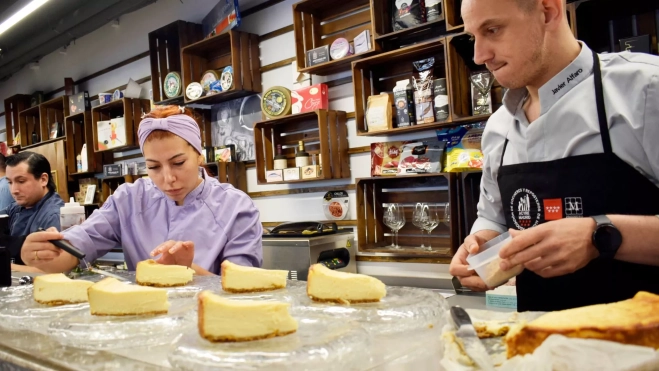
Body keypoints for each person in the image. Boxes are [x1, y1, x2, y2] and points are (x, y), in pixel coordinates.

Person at [449, 0, 659, 311]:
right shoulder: (497, 127)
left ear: (548, 11)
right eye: (473, 37)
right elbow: (493, 216)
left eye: (492, 30)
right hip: (542, 345)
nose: (480, 56)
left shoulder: (645, 89)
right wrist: (480, 245)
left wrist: (598, 236)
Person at [20, 105, 263, 275]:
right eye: (153, 167)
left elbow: (240, 290)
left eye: (178, 163)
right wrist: (44, 254)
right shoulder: (129, 199)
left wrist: (188, 272)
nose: (168, 179)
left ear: (199, 155)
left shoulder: (236, 208)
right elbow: (82, 244)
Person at [2, 152, 64, 265]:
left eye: (21, 181)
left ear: (43, 179)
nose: (14, 190)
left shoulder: (54, 215)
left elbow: (49, 267)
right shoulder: (15, 208)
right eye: (10, 182)